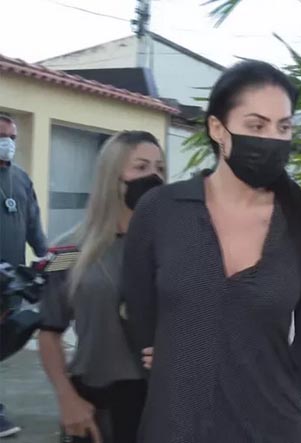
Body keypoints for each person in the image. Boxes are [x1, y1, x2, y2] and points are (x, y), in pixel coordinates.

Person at [122, 60, 301, 443]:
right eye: (257, 126)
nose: (272, 139)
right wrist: (178, 357)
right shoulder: (160, 211)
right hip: (174, 428)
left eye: (283, 127)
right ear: (217, 129)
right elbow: (141, 317)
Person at [38, 131, 165, 443]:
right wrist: (67, 399)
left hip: (159, 400)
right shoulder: (67, 250)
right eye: (141, 167)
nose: (154, 177)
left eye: (160, 168)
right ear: (112, 175)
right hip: (94, 401)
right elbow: (49, 331)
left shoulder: (173, 247)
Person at [0, 114, 48, 439]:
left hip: (10, 282)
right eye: (2, 136)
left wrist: (45, 255)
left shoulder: (20, 179)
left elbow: (32, 222)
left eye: (12, 137)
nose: (7, 143)